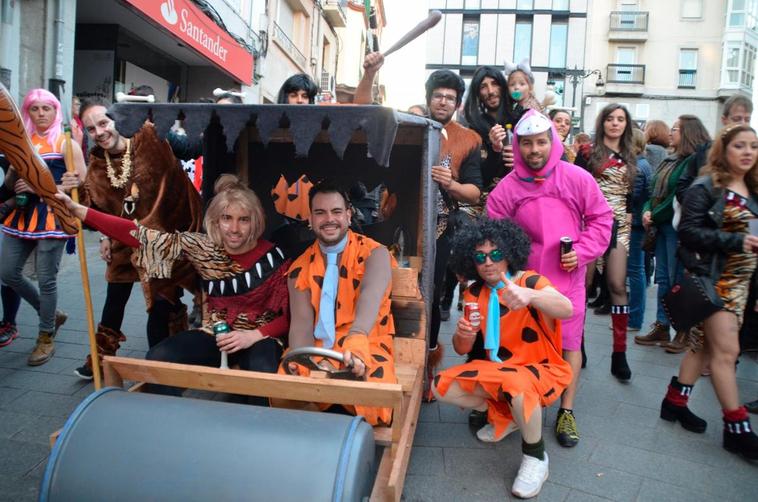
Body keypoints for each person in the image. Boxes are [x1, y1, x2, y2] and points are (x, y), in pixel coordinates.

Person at [57, 175, 290, 402]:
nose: (234, 228)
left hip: (261, 337)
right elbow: (139, 235)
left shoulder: (273, 257)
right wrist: (78, 210)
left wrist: (252, 336)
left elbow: (290, 317)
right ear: (216, 221)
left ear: (255, 220)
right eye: (227, 218)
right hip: (216, 335)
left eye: (244, 219)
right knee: (159, 359)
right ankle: (172, 422)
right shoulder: (203, 247)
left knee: (263, 376)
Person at [487, 110, 613, 448]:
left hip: (567, 279)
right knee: (520, 345)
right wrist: (504, 271)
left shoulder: (577, 178)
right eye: (527, 143)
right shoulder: (507, 187)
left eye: (541, 142)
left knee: (570, 344)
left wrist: (583, 251)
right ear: (518, 145)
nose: (534, 150)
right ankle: (518, 403)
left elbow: (601, 218)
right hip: (524, 282)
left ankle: (566, 410)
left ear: (552, 141)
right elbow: (494, 232)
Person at [61, 96, 204, 379]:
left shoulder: (149, 134)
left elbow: (191, 149)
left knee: (164, 302)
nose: (100, 132)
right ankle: (101, 359)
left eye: (104, 122)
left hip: (169, 237)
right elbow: (95, 211)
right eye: (91, 129)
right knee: (115, 296)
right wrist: (75, 190)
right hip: (127, 239)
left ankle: (164, 365)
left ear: (118, 119)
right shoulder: (98, 168)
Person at [432, 217, 573, 498]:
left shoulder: (530, 280)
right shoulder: (473, 293)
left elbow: (566, 308)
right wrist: (464, 333)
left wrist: (530, 295)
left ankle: (536, 457)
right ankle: (507, 414)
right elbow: (461, 349)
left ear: (509, 253)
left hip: (540, 370)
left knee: (517, 385)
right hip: (500, 370)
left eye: (496, 254)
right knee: (440, 386)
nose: (488, 262)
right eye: (480, 256)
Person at [658, 124, 758, 460]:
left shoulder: (754, 188)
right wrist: (735, 241)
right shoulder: (708, 185)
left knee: (702, 348)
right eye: (739, 146)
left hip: (742, 285)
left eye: (753, 146)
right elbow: (687, 232)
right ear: (723, 150)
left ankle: (674, 403)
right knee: (726, 354)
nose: (747, 152)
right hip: (714, 283)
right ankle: (737, 428)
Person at [281, 180, 397, 425]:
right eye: (320, 213)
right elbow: (301, 325)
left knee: (373, 391)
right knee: (285, 385)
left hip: (368, 341)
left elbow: (370, 294)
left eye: (336, 211)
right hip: (318, 347)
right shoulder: (298, 269)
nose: (329, 219)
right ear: (310, 219)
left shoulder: (375, 253)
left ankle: (348, 434)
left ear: (348, 214)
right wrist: (302, 359)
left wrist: (356, 342)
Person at [0, 88, 86, 365]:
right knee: (8, 271)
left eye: (45, 108)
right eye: (34, 109)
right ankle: (49, 313)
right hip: (22, 216)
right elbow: (11, 184)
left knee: (47, 280)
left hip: (53, 215)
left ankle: (45, 335)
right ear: (26, 111)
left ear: (54, 110)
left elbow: (82, 182)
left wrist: (54, 186)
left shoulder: (65, 143)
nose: (40, 114)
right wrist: (16, 180)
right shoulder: (19, 142)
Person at [637, 116, 711, 351]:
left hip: (677, 227)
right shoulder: (670, 159)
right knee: (663, 279)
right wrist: (648, 210)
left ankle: (682, 329)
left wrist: (654, 214)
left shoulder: (693, 161)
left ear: (688, 133)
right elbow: (653, 191)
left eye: (676, 128)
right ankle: (661, 325)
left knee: (678, 279)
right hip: (661, 226)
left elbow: (677, 197)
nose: (671, 132)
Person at [575, 103, 637, 381]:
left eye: (620, 119)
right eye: (610, 118)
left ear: (627, 124)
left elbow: (632, 196)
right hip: (589, 225)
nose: (615, 123)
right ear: (603, 123)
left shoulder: (633, 156)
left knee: (616, 284)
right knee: (583, 286)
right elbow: (575, 188)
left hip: (620, 226)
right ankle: (578, 343)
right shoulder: (587, 152)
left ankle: (619, 353)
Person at [463, 65, 523, 197]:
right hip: (493, 200)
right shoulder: (474, 129)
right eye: (483, 86)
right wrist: (495, 150)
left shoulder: (522, 117)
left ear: (503, 86)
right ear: (477, 93)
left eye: (495, 84)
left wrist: (522, 160)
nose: (490, 91)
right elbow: (480, 179)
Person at [627, 129, 653, 333]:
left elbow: (631, 197)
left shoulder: (637, 166)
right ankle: (635, 317)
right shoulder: (643, 164)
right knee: (638, 270)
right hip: (637, 224)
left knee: (636, 270)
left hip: (634, 225)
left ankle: (634, 319)